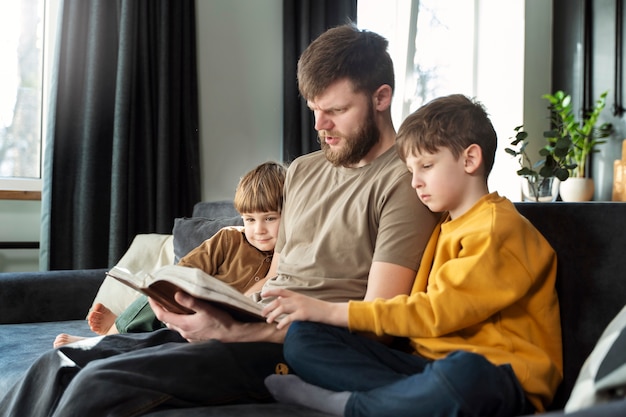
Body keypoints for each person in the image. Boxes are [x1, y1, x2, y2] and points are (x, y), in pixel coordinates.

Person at [0, 24, 439, 416]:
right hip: (257, 321)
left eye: (337, 111)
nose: (320, 125)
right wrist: (212, 305)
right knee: (61, 363)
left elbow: (380, 324)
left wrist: (235, 331)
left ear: (381, 97)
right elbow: (280, 274)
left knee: (101, 384)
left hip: (306, 347)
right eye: (313, 110)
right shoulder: (304, 170)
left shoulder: (407, 181)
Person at [262, 94, 563, 417]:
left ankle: (352, 405)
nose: (415, 182)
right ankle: (404, 401)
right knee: (304, 337)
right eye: (410, 169)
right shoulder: (443, 225)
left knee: (463, 374)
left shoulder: (497, 228)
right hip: (424, 369)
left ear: (470, 159)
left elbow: (435, 312)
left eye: (427, 167)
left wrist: (328, 310)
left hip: (501, 376)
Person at [52, 160, 286, 348]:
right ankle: (103, 339)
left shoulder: (289, 254)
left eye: (270, 218)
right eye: (250, 220)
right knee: (155, 298)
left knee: (165, 337)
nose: (259, 230)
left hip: (226, 324)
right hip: (192, 306)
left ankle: (115, 333)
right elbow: (186, 270)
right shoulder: (230, 238)